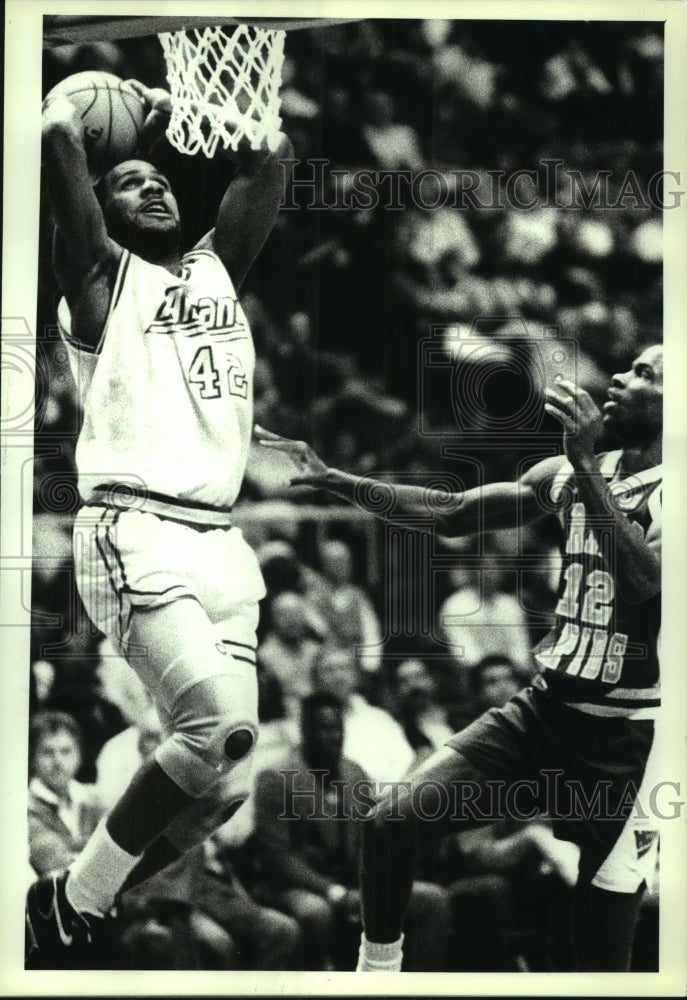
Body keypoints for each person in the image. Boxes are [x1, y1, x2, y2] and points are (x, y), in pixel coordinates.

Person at [255, 343, 663, 972]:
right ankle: (378, 971)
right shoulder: (580, 469)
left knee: (602, 958)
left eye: (644, 374)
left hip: (627, 740)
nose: (618, 377)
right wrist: (340, 480)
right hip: (544, 711)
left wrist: (582, 463)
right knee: (390, 821)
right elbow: (453, 514)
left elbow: (645, 582)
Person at [28, 79, 293, 968]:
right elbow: (57, 137)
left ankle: (70, 899)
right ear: (98, 212)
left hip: (219, 539)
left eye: (159, 177)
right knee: (208, 731)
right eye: (127, 181)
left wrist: (197, 105)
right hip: (133, 526)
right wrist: (88, 103)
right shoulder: (99, 280)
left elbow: (272, 159)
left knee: (222, 786)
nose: (153, 186)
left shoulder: (217, 268)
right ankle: (81, 901)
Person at [253, 692, 451, 971]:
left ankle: (419, 988)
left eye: (337, 728)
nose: (332, 736)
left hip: (353, 884)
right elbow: (278, 857)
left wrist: (377, 881)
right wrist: (334, 892)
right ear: (304, 731)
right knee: (315, 912)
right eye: (323, 728)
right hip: (297, 887)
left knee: (430, 899)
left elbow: (373, 835)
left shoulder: (353, 772)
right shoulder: (276, 777)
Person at [28, 712, 104, 876]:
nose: (58, 761)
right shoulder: (26, 807)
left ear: (79, 756)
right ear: (32, 758)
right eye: (48, 752)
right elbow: (56, 863)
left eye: (66, 751)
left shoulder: (93, 798)